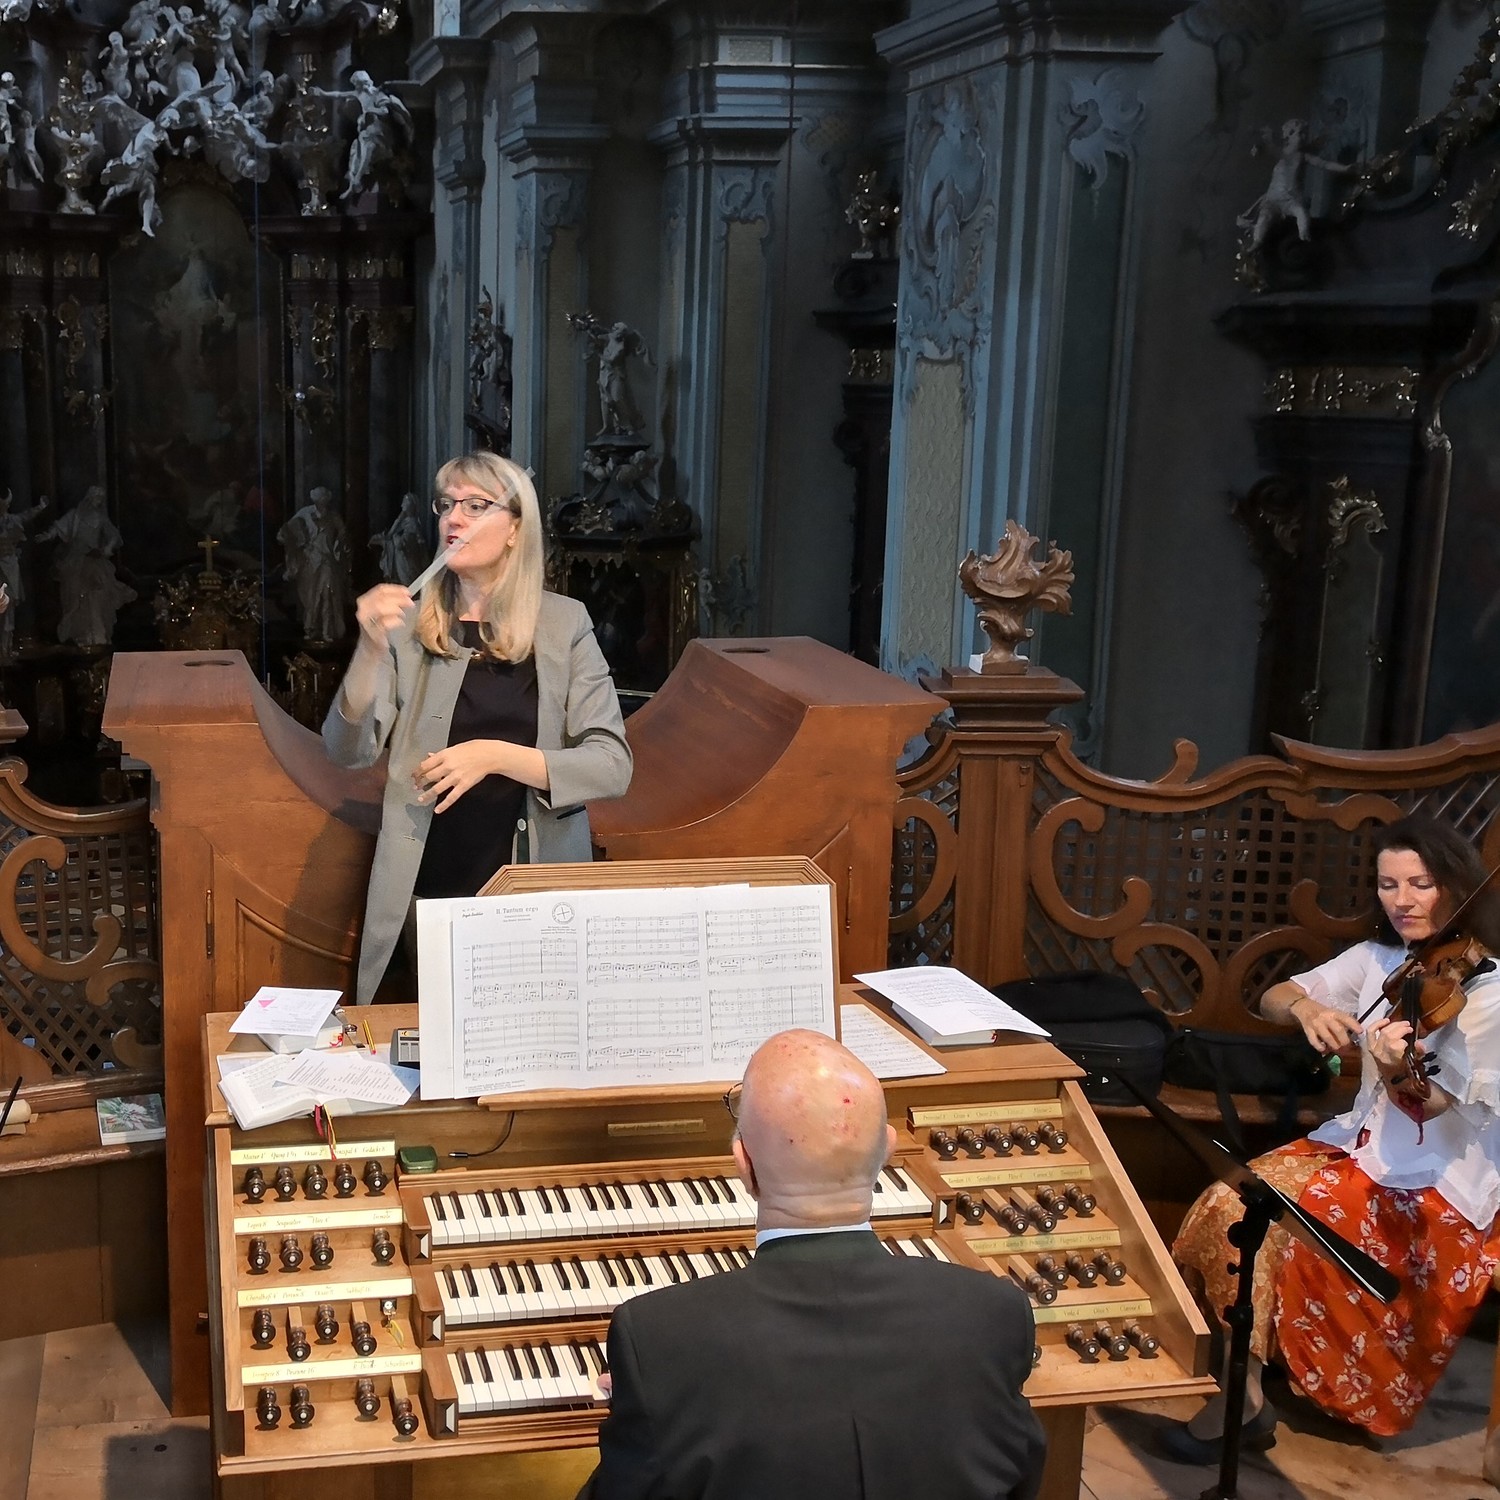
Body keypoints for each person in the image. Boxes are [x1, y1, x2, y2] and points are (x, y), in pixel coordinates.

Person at [579, 1028, 1047, 1500]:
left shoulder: (659, 1338)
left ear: (744, 1165)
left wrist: (654, 1408)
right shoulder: (994, 1313)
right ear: (886, 1151)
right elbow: (1017, 1478)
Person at [1168, 815, 1500, 1460]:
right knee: (1230, 1203)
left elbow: (1432, 1105)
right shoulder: (1384, 961)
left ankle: (1273, 1385)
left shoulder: (1489, 995)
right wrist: (1308, 1008)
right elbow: (1275, 995)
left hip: (1439, 1182)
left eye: (1421, 884)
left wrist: (1396, 1066)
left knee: (1272, 1220)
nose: (1402, 900)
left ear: (1456, 887)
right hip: (1357, 1147)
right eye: (1388, 884)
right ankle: (1244, 1395)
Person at [323, 452, 632, 1004]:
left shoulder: (565, 623)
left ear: (515, 529)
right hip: (429, 880)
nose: (453, 519)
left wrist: (493, 756)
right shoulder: (408, 625)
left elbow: (612, 765)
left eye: (475, 505)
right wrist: (368, 649)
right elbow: (346, 750)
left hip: (534, 891)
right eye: (446, 504)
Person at [279, 483, 352, 642]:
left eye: (324, 500)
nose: (322, 503)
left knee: (328, 594)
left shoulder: (333, 517)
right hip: (310, 562)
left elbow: (343, 536)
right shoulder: (304, 513)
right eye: (319, 499)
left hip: (327, 561)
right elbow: (284, 534)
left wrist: (340, 546)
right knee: (312, 596)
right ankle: (311, 629)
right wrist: (299, 544)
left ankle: (327, 630)